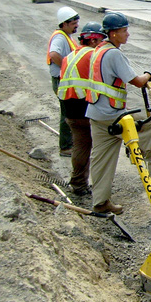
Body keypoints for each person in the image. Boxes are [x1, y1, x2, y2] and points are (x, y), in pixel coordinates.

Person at [86, 12, 151, 214]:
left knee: (101, 159)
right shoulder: (113, 53)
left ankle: (100, 202)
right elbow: (137, 81)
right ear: (113, 34)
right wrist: (148, 75)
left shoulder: (98, 50)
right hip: (113, 115)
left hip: (96, 114)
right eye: (123, 31)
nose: (127, 34)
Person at [57, 22, 106, 196]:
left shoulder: (70, 56)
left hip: (68, 106)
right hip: (83, 105)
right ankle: (98, 189)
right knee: (101, 147)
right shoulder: (93, 55)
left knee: (80, 145)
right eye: (101, 40)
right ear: (93, 40)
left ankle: (78, 183)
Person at [48, 6, 79, 157]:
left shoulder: (66, 36)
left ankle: (70, 143)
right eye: (73, 24)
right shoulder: (59, 37)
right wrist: (66, 69)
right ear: (64, 24)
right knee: (67, 113)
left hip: (63, 79)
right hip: (61, 80)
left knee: (70, 111)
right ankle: (66, 147)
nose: (76, 26)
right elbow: (54, 54)